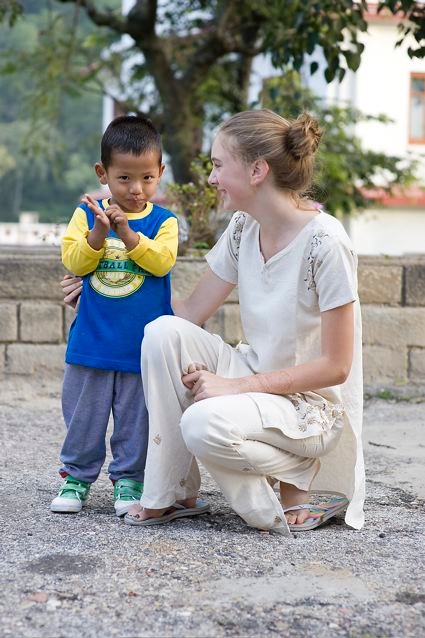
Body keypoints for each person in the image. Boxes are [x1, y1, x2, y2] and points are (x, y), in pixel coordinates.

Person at [63, 109, 365, 536]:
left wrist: (233, 387)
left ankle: (297, 474)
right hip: (253, 380)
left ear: (257, 170)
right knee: (162, 333)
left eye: (218, 165)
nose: (211, 178)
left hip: (308, 409)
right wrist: (101, 299)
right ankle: (168, 493)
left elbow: (336, 366)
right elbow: (184, 314)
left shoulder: (326, 243)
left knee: (201, 423)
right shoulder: (244, 227)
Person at [51, 115, 178, 517]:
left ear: (160, 172)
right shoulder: (85, 216)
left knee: (135, 420)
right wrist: (97, 233)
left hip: (141, 349)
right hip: (91, 341)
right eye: (124, 178)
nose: (136, 189)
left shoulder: (165, 222)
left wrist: (127, 234)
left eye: (146, 178)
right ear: (103, 173)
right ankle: (76, 478)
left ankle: (128, 481)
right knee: (82, 417)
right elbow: (73, 260)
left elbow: (162, 263)